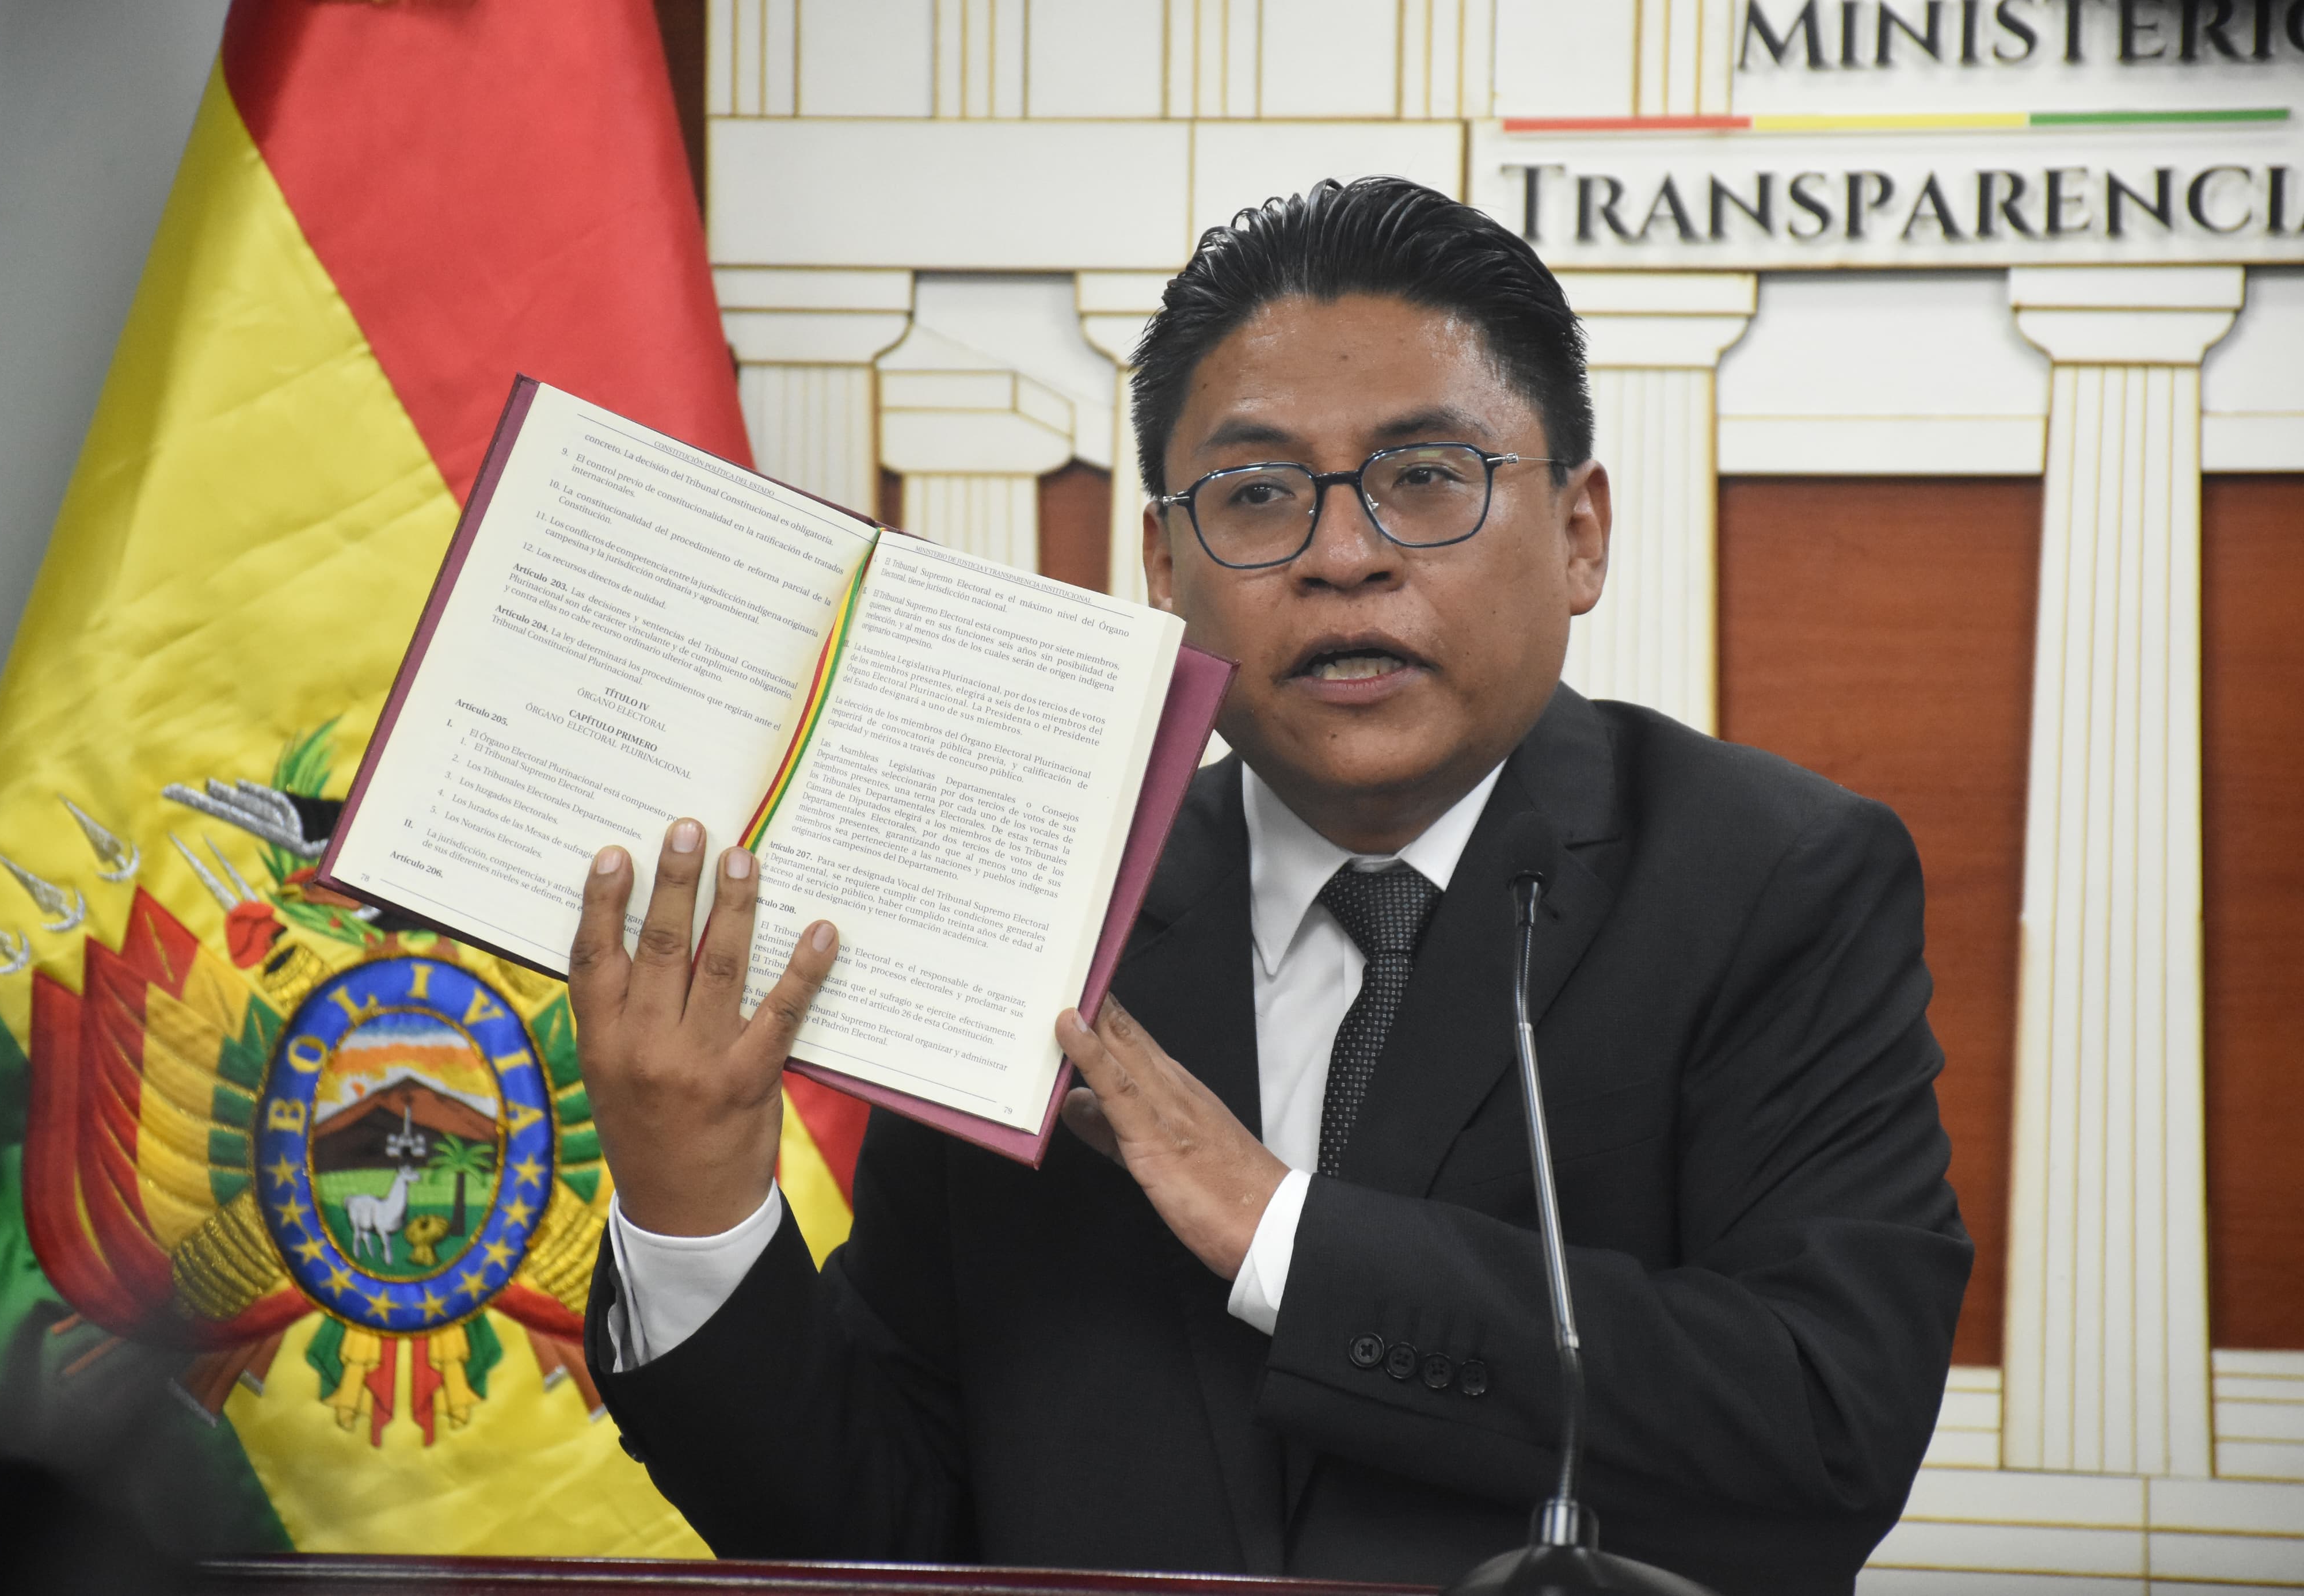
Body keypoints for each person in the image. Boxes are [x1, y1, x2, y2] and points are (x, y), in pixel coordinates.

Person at [570, 177, 1970, 1595]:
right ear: (1164, 566)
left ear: (1579, 533)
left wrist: (1277, 1232)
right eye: (1255, 496)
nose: (1342, 556)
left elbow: (1824, 1422)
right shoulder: (1054, 923)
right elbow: (886, 1530)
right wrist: (692, 1208)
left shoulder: (1769, 882)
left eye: (1427, 477)